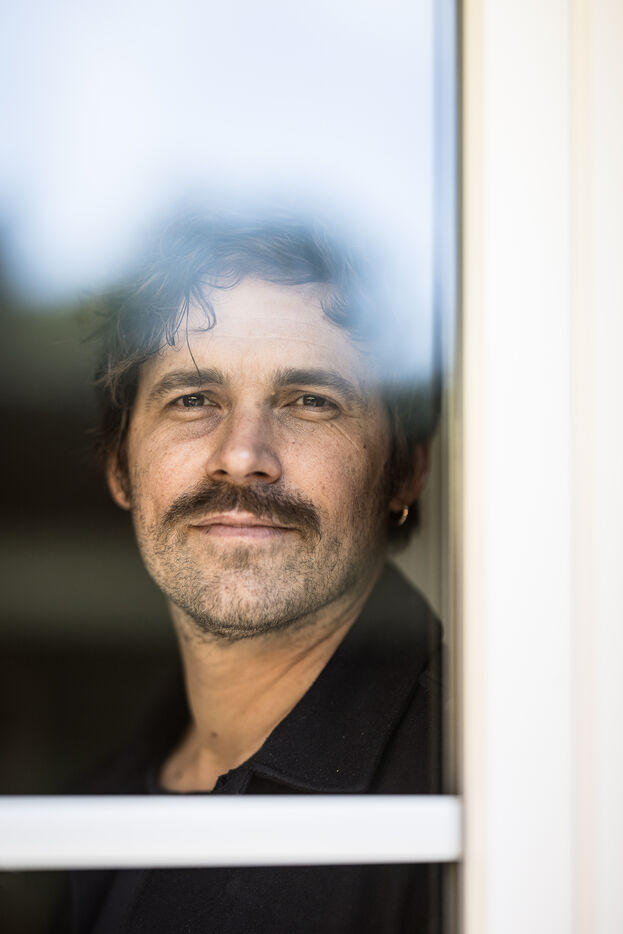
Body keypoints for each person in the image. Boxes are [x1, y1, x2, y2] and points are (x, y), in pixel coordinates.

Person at [70, 213, 445, 933]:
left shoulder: (479, 793)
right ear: (120, 467)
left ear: (403, 472)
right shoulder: (84, 805)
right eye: (192, 399)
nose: (242, 457)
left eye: (310, 401)